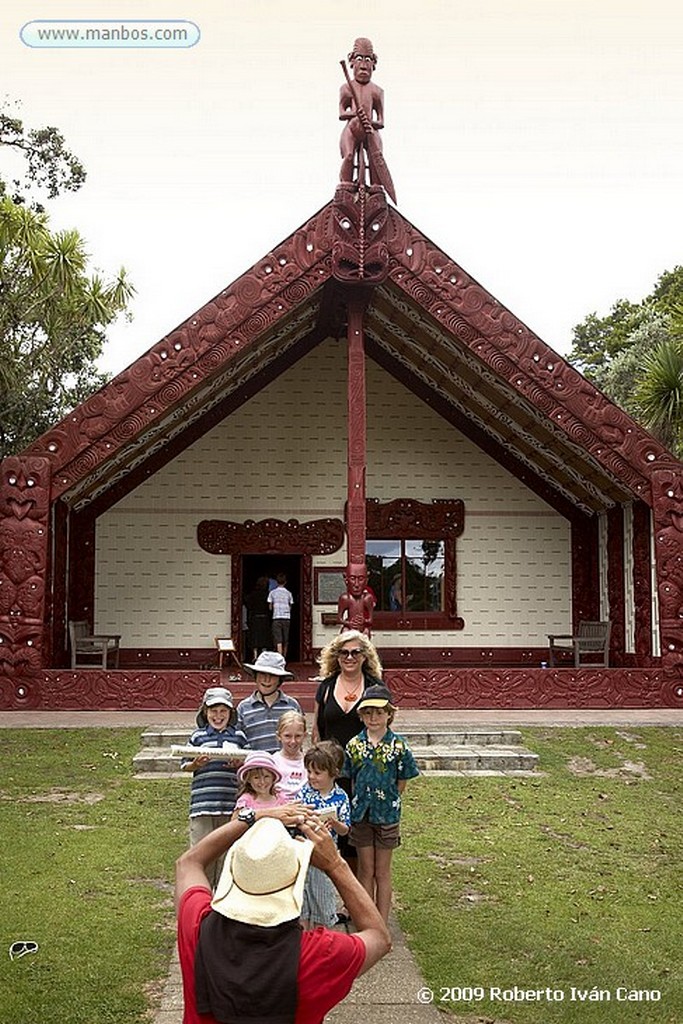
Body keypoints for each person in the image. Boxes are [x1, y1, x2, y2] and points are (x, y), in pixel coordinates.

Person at [175, 808, 391, 1024]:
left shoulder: (197, 927)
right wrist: (335, 864)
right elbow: (379, 938)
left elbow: (188, 863)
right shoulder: (318, 954)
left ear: (233, 874)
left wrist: (252, 817)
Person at [343, 684, 420, 922]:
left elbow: (403, 780)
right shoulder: (354, 745)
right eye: (368, 712)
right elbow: (352, 778)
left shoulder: (399, 746)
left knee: (382, 871)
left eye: (379, 712)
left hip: (387, 815)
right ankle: (367, 921)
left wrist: (388, 801)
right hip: (362, 815)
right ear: (361, 715)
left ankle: (382, 921)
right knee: (365, 869)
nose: (373, 717)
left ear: (389, 714)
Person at [311, 630, 383, 879]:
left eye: (355, 652)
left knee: (357, 837)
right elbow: (317, 731)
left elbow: (383, 731)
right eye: (343, 652)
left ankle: (355, 899)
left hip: (363, 774)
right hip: (331, 773)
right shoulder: (327, 687)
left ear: (365, 656)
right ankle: (329, 897)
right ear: (336, 655)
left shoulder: (375, 687)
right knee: (331, 832)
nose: (349, 657)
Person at [181, 686, 248, 889]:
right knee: (202, 854)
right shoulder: (198, 737)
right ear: (205, 713)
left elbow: (249, 766)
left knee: (226, 856)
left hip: (230, 806)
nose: (218, 716)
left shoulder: (239, 737)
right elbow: (184, 764)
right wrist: (197, 764)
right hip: (203, 805)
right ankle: (201, 899)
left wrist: (239, 764)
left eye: (223, 711)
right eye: (213, 711)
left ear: (231, 713)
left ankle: (222, 904)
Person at [300, 740, 351, 929]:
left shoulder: (341, 797)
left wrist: (336, 823)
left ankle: (323, 939)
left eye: (317, 773)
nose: (311, 777)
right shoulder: (305, 791)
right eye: (309, 772)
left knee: (323, 899)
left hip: (326, 856)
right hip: (305, 854)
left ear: (333, 773)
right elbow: (296, 816)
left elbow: (346, 829)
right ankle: (303, 941)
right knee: (302, 901)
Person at [339, 37, 386, 189]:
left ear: (373, 64)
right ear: (352, 62)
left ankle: (376, 186)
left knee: (375, 159)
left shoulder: (377, 91)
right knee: (349, 156)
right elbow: (341, 112)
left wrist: (371, 123)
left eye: (368, 60)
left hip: (369, 131)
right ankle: (346, 184)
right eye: (359, 59)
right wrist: (354, 114)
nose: (364, 65)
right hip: (352, 128)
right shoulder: (346, 88)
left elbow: (381, 121)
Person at [236, 650, 302, 752]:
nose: (266, 680)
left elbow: (298, 740)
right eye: (262, 674)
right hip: (255, 764)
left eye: (272, 675)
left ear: (280, 679)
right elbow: (237, 740)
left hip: (284, 765)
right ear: (255, 676)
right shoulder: (243, 707)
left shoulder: (292, 706)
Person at [232, 751, 288, 815]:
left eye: (266, 776)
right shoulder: (246, 801)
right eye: (256, 777)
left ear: (273, 778)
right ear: (248, 779)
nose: (262, 782)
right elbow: (235, 821)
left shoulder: (281, 798)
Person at [272, 710, 307, 801]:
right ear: (279, 736)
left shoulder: (309, 762)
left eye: (298, 736)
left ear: (305, 735)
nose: (293, 741)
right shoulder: (273, 762)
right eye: (287, 736)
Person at [337, 562, 375, 636]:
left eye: (361, 579)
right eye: (352, 578)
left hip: (362, 629)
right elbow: (339, 619)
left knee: (366, 634)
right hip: (349, 629)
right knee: (344, 633)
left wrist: (364, 621)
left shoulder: (367, 598)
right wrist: (349, 623)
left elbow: (370, 620)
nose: (356, 584)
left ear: (366, 581)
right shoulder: (345, 598)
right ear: (346, 580)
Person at [244, 576, 271, 661]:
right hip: (265, 618)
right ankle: (264, 656)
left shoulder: (253, 594)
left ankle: (255, 656)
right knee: (264, 638)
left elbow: (248, 603)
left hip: (255, 618)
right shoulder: (268, 594)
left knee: (255, 638)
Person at [268, 572, 294, 658]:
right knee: (285, 639)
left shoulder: (272, 593)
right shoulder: (288, 593)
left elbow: (270, 607)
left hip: (276, 617)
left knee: (278, 639)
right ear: (285, 582)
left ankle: (279, 657)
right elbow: (290, 606)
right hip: (286, 617)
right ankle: (285, 657)